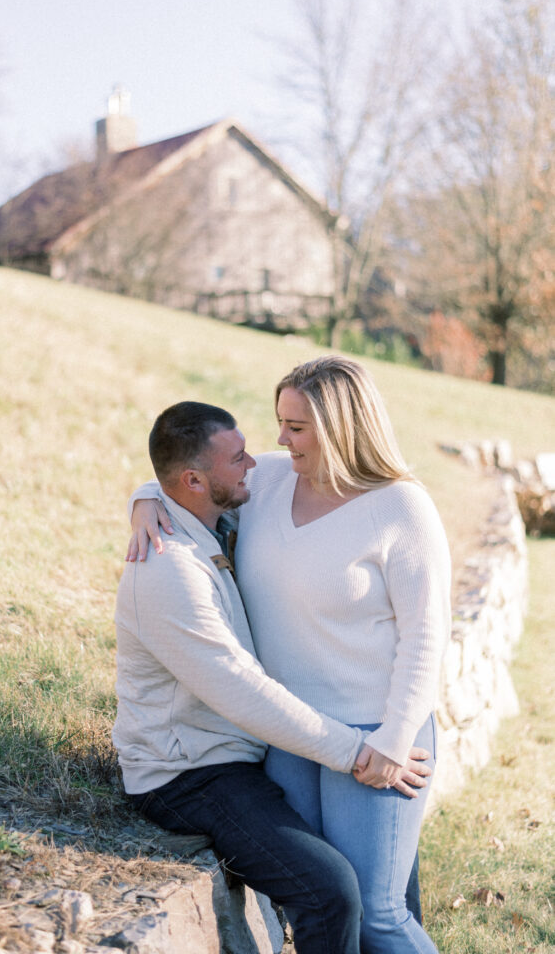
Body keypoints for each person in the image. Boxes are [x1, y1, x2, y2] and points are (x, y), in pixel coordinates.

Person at [129, 357, 451, 954]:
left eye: (296, 427)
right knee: (324, 906)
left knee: (380, 914)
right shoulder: (271, 481)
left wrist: (392, 738)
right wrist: (145, 496)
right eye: (280, 422)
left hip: (374, 733)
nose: (279, 439)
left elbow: (426, 638)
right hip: (291, 736)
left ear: (340, 427)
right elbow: (189, 477)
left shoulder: (402, 509)